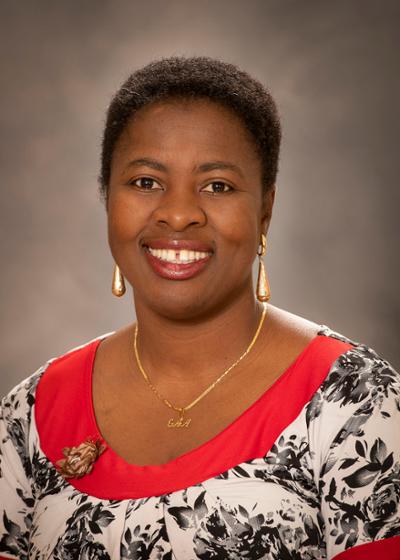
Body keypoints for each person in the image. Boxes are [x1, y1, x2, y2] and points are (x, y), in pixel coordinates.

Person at [0, 56, 399, 560]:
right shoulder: (33, 411)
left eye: (217, 186)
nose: (179, 214)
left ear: (265, 210)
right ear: (107, 198)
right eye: (146, 182)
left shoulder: (356, 401)